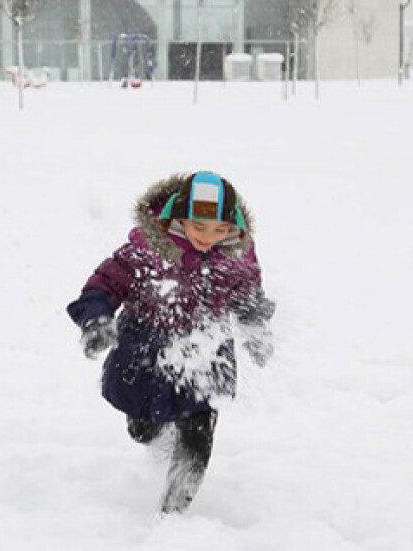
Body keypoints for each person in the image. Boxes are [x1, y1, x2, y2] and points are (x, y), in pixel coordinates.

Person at [67, 171, 275, 514]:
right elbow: (105, 284)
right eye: (200, 227)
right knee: (143, 428)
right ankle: (152, 431)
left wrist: (256, 329)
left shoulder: (237, 254)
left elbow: (248, 296)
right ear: (178, 218)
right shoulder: (147, 250)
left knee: (199, 427)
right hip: (145, 346)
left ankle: (176, 507)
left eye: (221, 230)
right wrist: (96, 318)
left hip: (206, 347)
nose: (210, 238)